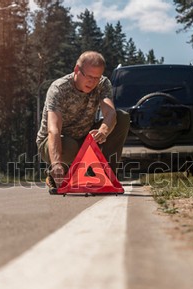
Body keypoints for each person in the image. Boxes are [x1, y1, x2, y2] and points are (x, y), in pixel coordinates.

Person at [36, 51, 130, 192]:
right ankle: (58, 174)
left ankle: (105, 175)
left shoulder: (103, 84)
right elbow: (53, 129)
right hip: (55, 142)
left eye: (97, 77)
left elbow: (110, 113)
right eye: (89, 76)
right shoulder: (59, 89)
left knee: (122, 117)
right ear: (76, 70)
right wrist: (56, 163)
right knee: (69, 145)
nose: (92, 82)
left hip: (85, 138)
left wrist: (103, 131)